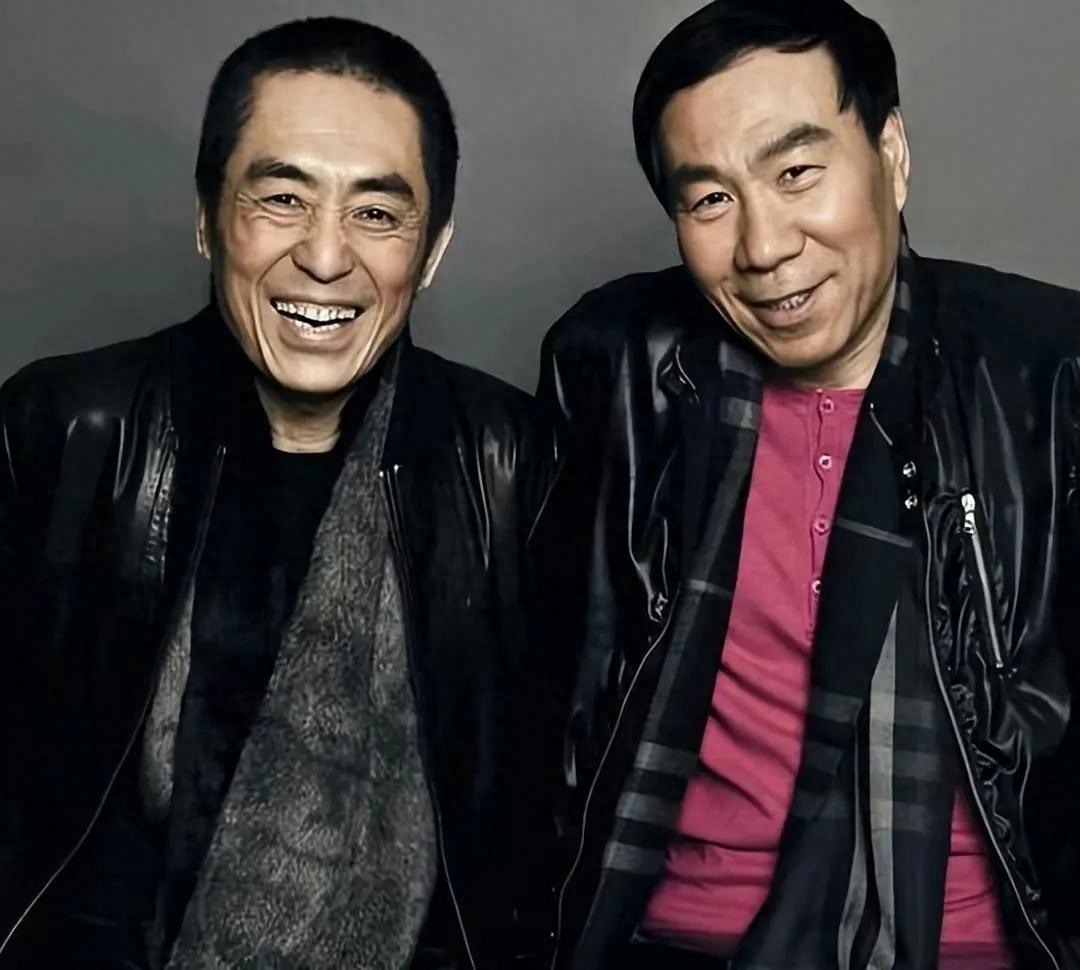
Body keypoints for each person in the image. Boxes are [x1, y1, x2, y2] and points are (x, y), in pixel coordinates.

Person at [0, 17, 554, 969]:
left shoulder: (512, 464)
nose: (326, 257)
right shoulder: (61, 430)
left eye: (376, 214)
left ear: (431, 251)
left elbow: (542, 823)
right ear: (208, 219)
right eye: (283, 199)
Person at [536, 1, 1080, 967]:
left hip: (977, 947)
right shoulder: (615, 371)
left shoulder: (1049, 374)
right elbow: (542, 702)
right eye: (710, 200)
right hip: (674, 943)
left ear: (891, 154)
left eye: (796, 173)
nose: (763, 246)